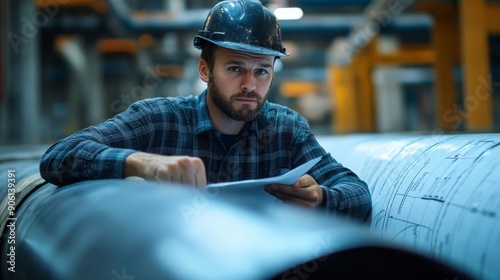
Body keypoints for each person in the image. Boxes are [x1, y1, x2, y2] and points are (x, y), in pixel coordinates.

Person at [39, 0, 371, 222]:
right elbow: (58, 156)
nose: (249, 86)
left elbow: (357, 193)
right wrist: (141, 162)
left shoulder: (286, 129)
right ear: (204, 70)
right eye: (234, 69)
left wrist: (321, 198)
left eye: (261, 72)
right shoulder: (160, 120)